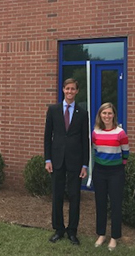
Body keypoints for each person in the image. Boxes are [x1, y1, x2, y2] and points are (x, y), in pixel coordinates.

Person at [44, 78, 89, 245]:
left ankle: (72, 231)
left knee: (75, 196)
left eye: (73, 89)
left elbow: (85, 140)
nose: (70, 92)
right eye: (67, 88)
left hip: (75, 162)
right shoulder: (54, 110)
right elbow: (47, 137)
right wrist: (47, 159)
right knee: (57, 196)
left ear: (77, 91)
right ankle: (59, 229)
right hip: (56, 160)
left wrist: (85, 164)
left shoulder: (82, 113)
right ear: (63, 90)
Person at [92, 102, 129, 252]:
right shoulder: (95, 132)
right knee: (100, 203)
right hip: (99, 171)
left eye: (109, 113)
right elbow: (95, 151)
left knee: (115, 204)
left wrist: (119, 165)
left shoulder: (120, 132)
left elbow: (125, 152)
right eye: (104, 113)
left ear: (113, 115)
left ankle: (114, 237)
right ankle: (101, 234)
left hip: (116, 172)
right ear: (100, 115)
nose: (107, 116)